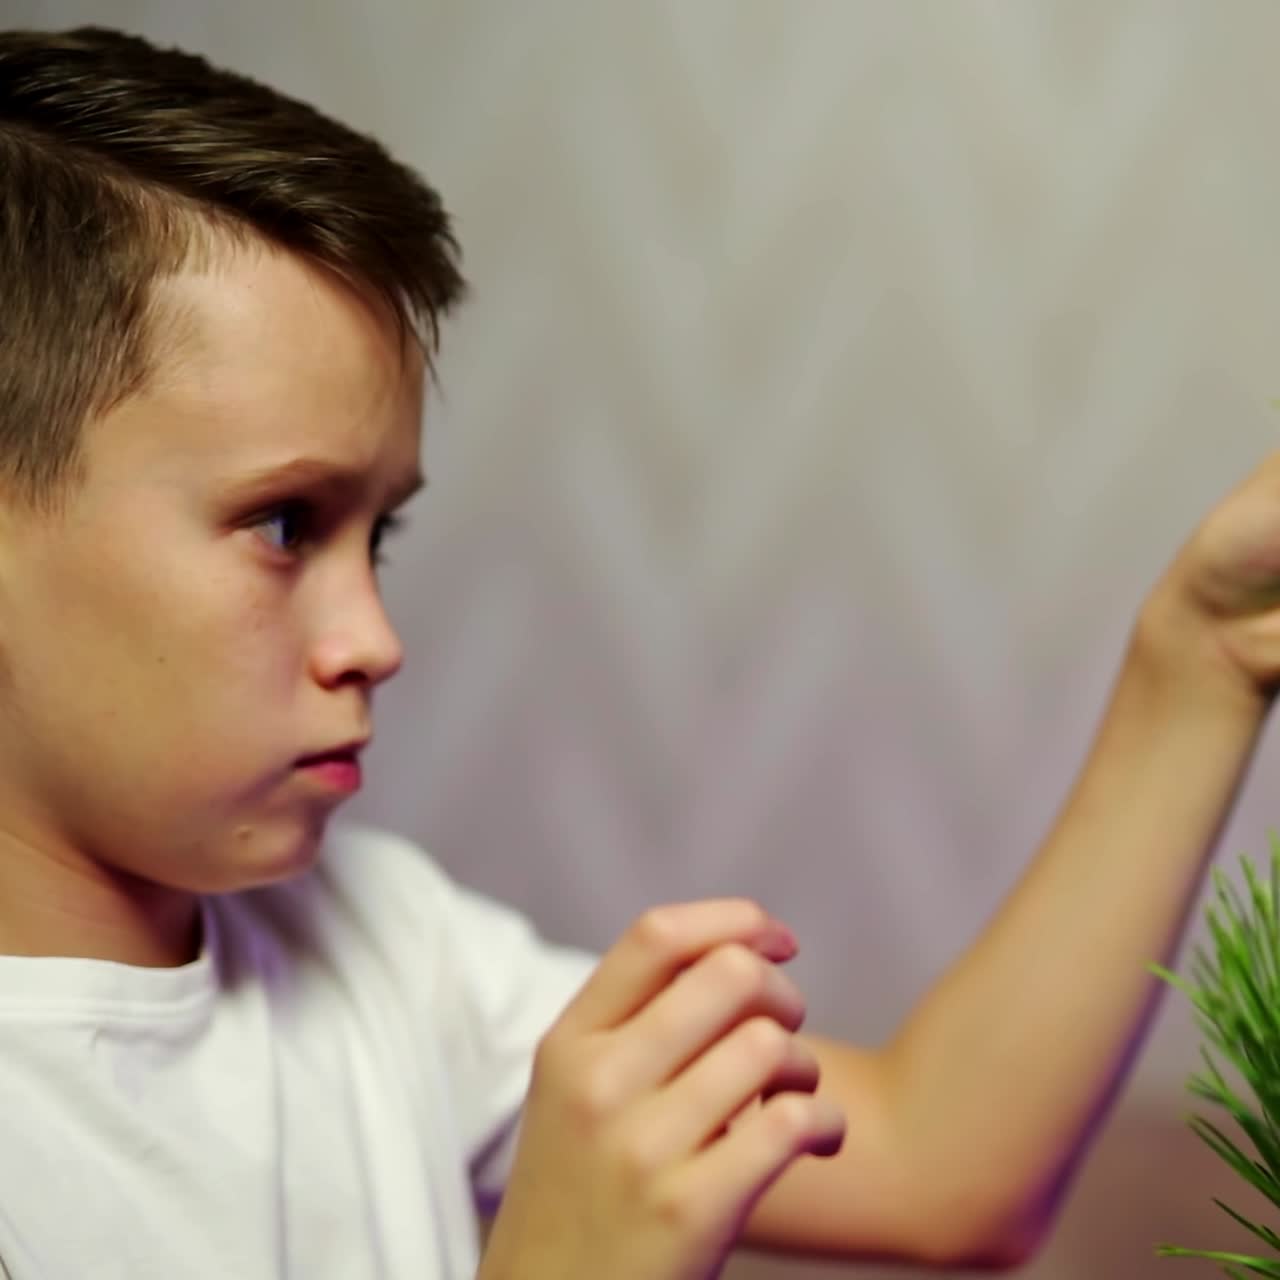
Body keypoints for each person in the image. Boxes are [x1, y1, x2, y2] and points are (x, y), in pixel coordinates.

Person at [0, 21, 1273, 1280]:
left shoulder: (375, 944)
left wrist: (1200, 651)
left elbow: (937, 1163)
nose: (377, 640)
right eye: (285, 524)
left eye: (377, 534)